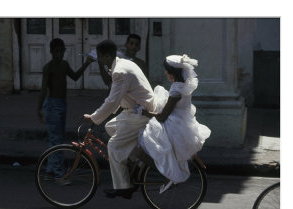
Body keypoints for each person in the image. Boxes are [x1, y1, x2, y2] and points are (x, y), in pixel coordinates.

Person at [83, 40, 155, 199]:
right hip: (137, 109)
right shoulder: (124, 64)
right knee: (110, 126)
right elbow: (117, 98)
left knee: (113, 146)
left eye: (100, 57)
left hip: (141, 113)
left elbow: (112, 101)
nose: (99, 60)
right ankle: (133, 161)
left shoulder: (120, 72)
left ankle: (123, 187)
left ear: (107, 56)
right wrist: (102, 116)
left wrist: (94, 117)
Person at [137, 54, 211, 194]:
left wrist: (145, 113)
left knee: (140, 151)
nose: (165, 72)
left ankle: (168, 175)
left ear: (171, 73)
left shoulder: (176, 90)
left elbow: (162, 116)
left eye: (166, 70)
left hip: (172, 126)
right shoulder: (183, 85)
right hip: (181, 122)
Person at [37, 38, 94, 178]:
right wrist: (39, 109)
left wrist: (86, 63)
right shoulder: (48, 67)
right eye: (56, 51)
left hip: (62, 104)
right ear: (51, 52)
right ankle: (58, 173)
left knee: (56, 139)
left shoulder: (64, 64)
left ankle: (51, 169)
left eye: (62, 51)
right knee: (56, 140)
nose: (59, 54)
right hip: (52, 105)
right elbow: (43, 90)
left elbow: (75, 76)